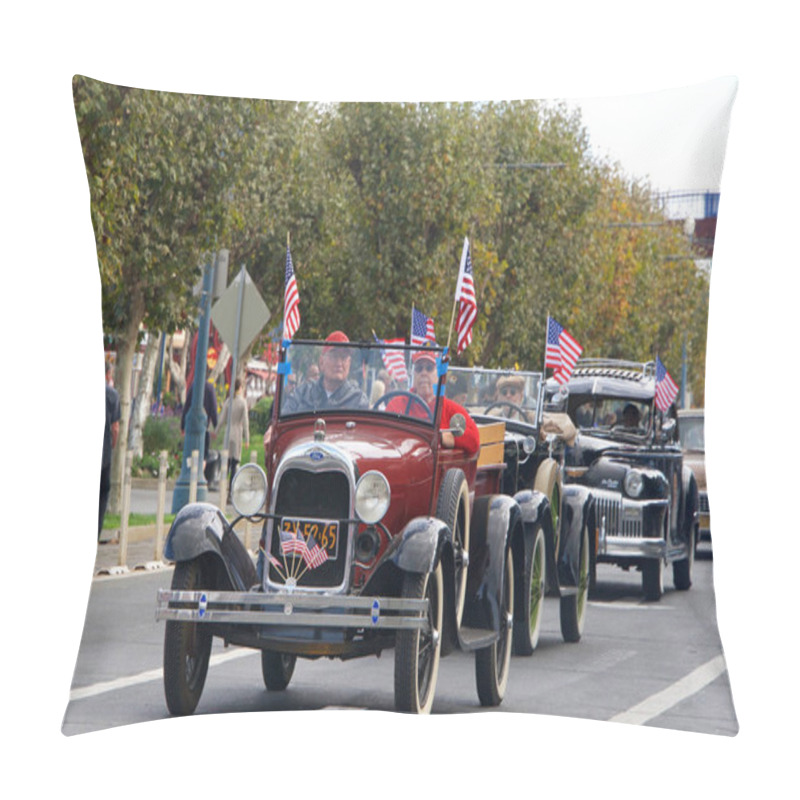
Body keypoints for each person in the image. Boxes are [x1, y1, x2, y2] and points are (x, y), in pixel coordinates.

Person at [387, 347, 480, 455]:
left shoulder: (448, 408)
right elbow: (383, 433)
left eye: (429, 368)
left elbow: (474, 440)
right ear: (414, 375)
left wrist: (449, 438)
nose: (423, 373)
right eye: (419, 368)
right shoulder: (397, 404)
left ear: (438, 375)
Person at [281, 331, 369, 414]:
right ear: (321, 362)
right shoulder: (302, 393)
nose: (339, 363)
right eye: (334, 356)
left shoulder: (358, 399)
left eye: (343, 357)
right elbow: (283, 421)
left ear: (349, 363)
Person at [216, 378, 250, 495]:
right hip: (237, 433)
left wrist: (216, 431)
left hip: (228, 432)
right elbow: (245, 421)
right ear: (240, 388)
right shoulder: (242, 402)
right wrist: (247, 438)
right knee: (235, 463)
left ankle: (222, 488)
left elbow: (221, 419)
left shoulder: (228, 401)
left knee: (227, 462)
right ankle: (231, 490)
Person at [99, 360, 121, 540]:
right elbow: (115, 428)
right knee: (102, 494)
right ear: (108, 375)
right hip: (104, 454)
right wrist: (112, 444)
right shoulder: (112, 395)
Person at [181, 377, 218, 467]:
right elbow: (213, 410)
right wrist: (216, 427)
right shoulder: (210, 388)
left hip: (192, 427)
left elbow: (186, 407)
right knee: (203, 456)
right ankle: (200, 474)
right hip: (204, 428)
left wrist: (182, 426)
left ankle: (190, 474)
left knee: (191, 454)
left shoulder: (193, 386)